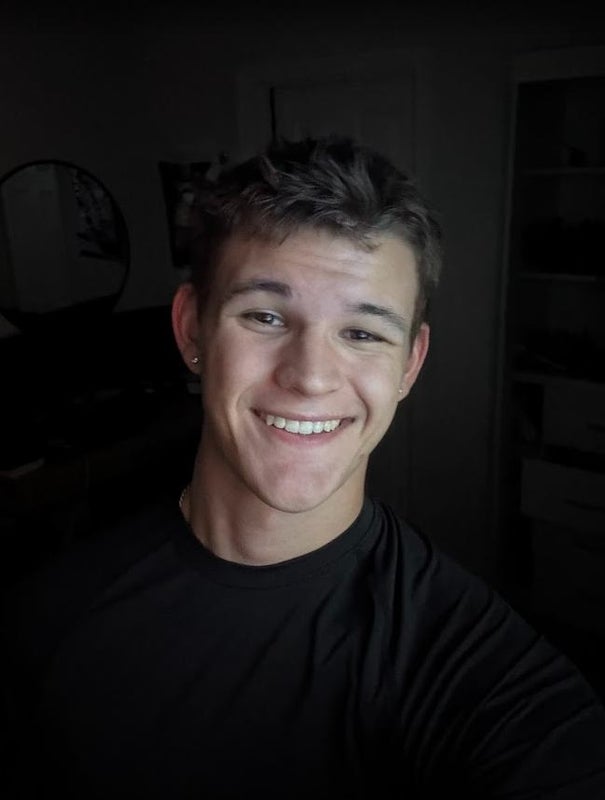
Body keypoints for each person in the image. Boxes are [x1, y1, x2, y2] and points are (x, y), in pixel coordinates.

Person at [3, 137, 605, 799]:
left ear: (409, 364)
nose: (311, 377)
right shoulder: (45, 616)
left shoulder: (477, 673)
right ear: (192, 329)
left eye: (363, 332)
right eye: (265, 316)